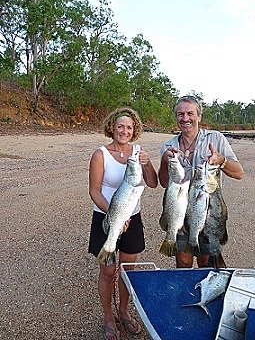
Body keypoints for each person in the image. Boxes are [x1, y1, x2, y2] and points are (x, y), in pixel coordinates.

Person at [88, 107, 158, 340]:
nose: (124, 131)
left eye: (129, 127)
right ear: (112, 127)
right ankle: (109, 317)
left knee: (127, 271)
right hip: (106, 216)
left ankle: (123, 311)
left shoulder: (138, 153)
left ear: (134, 129)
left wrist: (147, 164)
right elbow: (94, 191)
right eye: (120, 126)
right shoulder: (100, 154)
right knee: (108, 272)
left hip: (133, 218)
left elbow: (152, 183)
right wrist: (114, 214)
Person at [158, 95, 244, 269]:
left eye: (190, 113)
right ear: (176, 117)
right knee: (183, 260)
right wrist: (164, 162)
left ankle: (203, 292)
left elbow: (239, 173)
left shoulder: (216, 139)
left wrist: (221, 160)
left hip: (207, 209)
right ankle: (186, 293)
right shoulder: (168, 145)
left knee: (205, 261)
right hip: (179, 209)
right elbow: (163, 182)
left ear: (199, 116)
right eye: (180, 114)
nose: (185, 118)